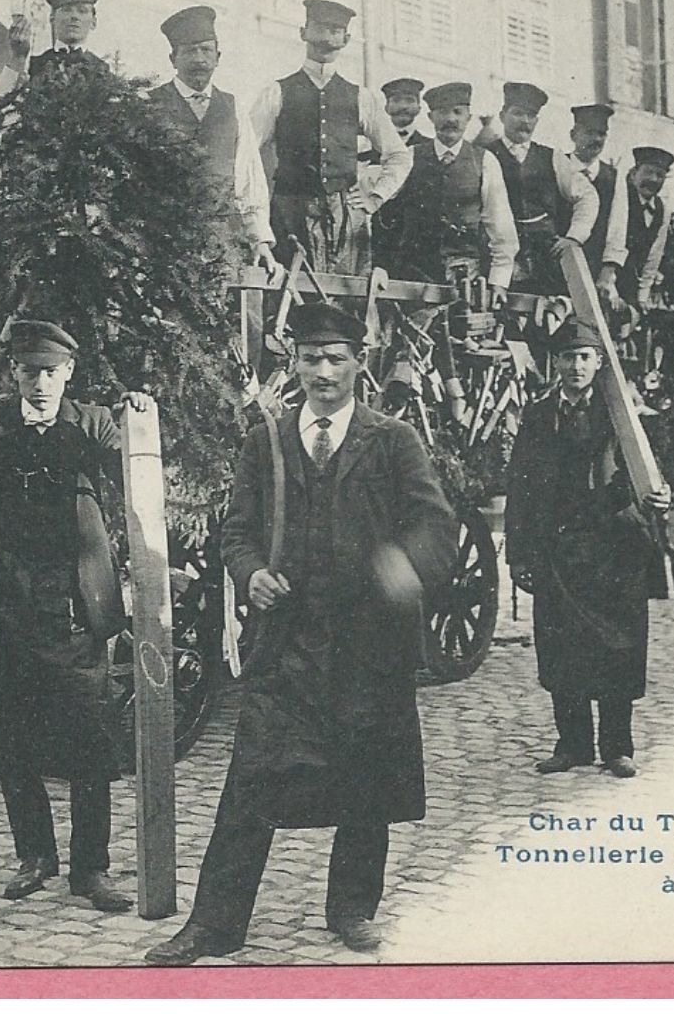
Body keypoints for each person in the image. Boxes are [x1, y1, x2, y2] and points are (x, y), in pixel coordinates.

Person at [145, 302, 456, 964]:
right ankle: (214, 924)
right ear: (294, 364)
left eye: (335, 358)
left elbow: (435, 525)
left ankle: (350, 908)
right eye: (310, 357)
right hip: (286, 644)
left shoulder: (392, 440)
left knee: (365, 781)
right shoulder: (267, 441)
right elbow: (237, 528)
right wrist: (250, 571)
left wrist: (405, 560)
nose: (322, 371)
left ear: (358, 365)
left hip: (367, 645)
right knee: (250, 782)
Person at [0, 321, 150, 913]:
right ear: (14, 373)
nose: (39, 383)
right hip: (8, 598)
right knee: (12, 737)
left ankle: (92, 868)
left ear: (69, 373)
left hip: (76, 603)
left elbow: (134, 463)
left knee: (89, 734)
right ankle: (34, 856)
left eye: (51, 371)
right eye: (29, 371)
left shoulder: (93, 421)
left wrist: (136, 416)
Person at [504, 317, 671, 779]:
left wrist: (662, 494)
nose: (575, 366)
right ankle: (572, 744)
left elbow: (654, 472)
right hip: (558, 549)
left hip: (616, 549)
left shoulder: (623, 415)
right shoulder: (538, 415)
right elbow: (519, 485)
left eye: (584, 357)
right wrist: (518, 554)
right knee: (562, 650)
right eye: (567, 357)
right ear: (554, 364)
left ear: (599, 362)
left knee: (619, 648)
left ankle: (618, 746)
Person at [249, 0, 412, 275]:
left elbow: (399, 156)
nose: (326, 38)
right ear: (303, 32)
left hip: (344, 219)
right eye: (320, 28)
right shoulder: (276, 92)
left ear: (346, 39)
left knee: (345, 302)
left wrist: (376, 196)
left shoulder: (361, 97)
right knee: (292, 300)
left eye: (335, 30)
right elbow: (246, 154)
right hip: (290, 215)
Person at [148, 4, 275, 273]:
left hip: (224, 240)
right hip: (165, 239)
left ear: (218, 57)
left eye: (206, 50)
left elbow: (248, 181)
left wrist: (260, 240)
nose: (198, 59)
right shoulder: (149, 106)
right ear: (173, 58)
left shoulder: (233, 109)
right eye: (189, 51)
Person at [385, 81, 517, 297]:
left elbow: (501, 227)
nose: (450, 119)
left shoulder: (484, 161)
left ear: (468, 117)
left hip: (466, 275)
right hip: (413, 274)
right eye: (442, 112)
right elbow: (378, 197)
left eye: (457, 112)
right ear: (430, 117)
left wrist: (499, 281)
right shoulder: (410, 156)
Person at [470, 82, 598, 296]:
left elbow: (587, 196)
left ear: (537, 121)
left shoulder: (552, 157)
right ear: (502, 116)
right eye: (518, 113)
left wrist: (575, 237)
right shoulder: (482, 154)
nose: (524, 121)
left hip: (544, 260)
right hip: (495, 256)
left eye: (531, 116)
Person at [599, 146, 674, 311]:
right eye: (648, 172)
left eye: (660, 175)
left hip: (630, 290)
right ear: (634, 174)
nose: (654, 179)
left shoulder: (662, 211)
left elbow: (653, 257)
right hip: (603, 281)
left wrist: (642, 297)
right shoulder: (620, 198)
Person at [366, 77, 428, 272]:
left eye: (409, 100)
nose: (403, 106)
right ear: (386, 106)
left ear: (419, 107)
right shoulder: (368, 148)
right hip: (379, 236)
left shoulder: (429, 148)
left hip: (417, 238)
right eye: (396, 100)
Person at [565, 104, 617, 279]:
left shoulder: (613, 178)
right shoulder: (557, 167)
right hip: (558, 265)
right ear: (573, 135)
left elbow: (617, 228)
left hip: (596, 272)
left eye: (601, 134)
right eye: (589, 132)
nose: (596, 139)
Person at [29, 0, 109, 78]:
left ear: (93, 22)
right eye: (67, 10)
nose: (74, 16)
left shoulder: (102, 70)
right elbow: (8, 91)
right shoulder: (36, 65)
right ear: (52, 17)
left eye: (82, 11)